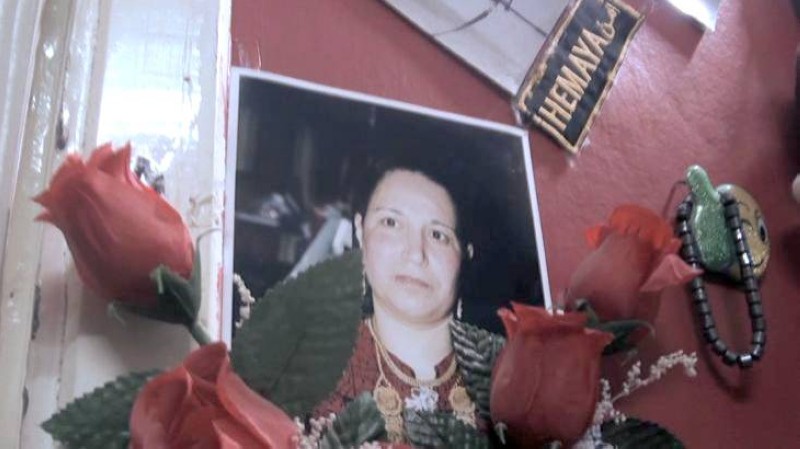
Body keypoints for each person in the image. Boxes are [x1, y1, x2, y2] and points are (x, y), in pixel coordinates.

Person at [313, 155, 480, 443]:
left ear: (466, 252)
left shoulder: (508, 377)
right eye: (390, 222)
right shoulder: (314, 373)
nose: (415, 254)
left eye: (438, 235)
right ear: (360, 231)